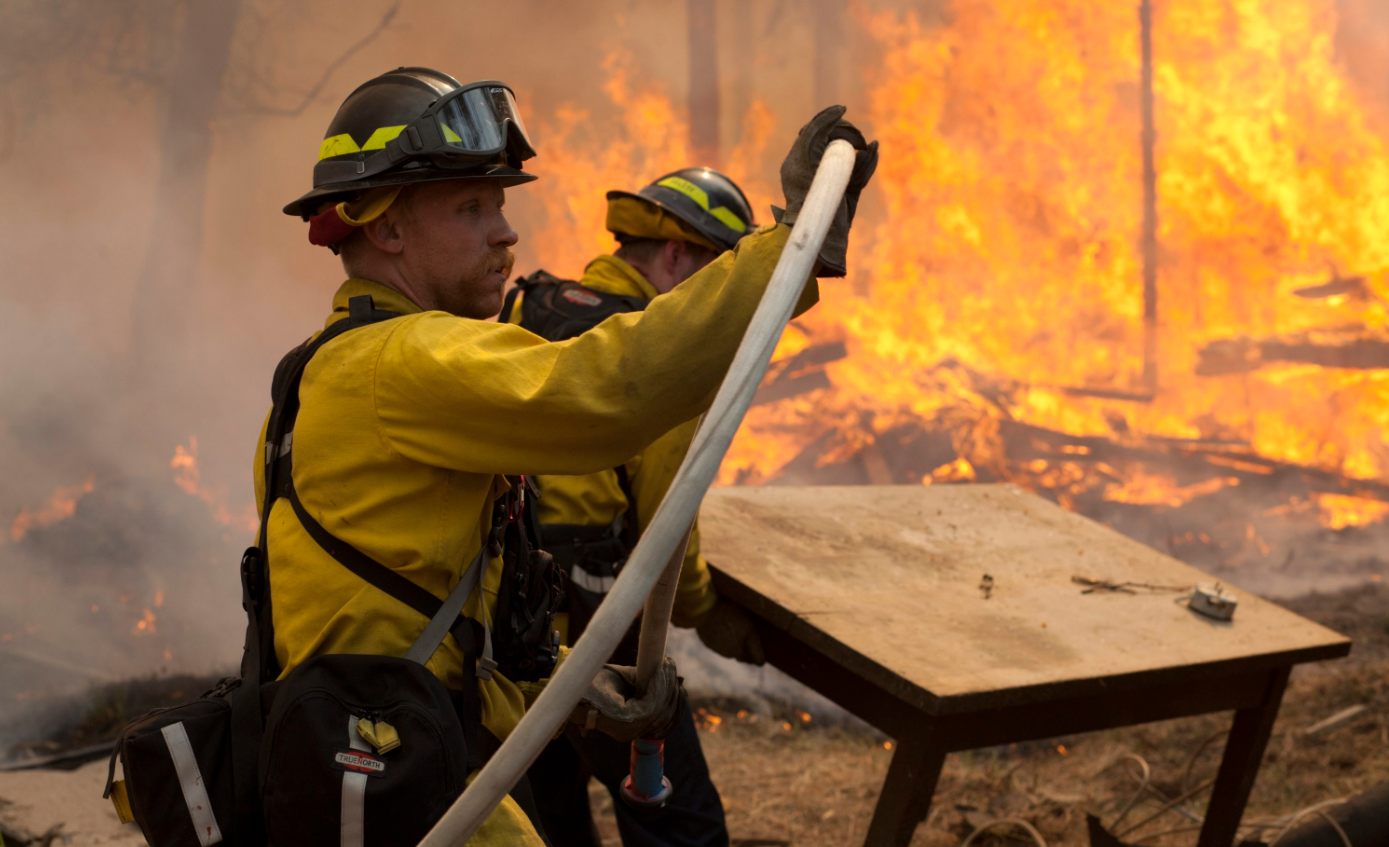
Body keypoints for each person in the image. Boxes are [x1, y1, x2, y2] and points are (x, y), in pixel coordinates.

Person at [260, 65, 878, 846]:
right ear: (386, 228)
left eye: (501, 205)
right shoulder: (405, 361)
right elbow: (607, 387)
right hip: (399, 771)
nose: (505, 232)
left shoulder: (320, 368)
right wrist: (787, 253)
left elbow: (405, 608)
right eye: (472, 207)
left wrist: (577, 689)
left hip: (382, 755)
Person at [507, 167, 768, 847]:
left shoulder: (528, 307)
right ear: (678, 255)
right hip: (602, 628)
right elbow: (666, 519)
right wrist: (705, 612)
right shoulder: (657, 344)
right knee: (679, 822)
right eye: (717, 276)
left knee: (549, 816)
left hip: (512, 618)